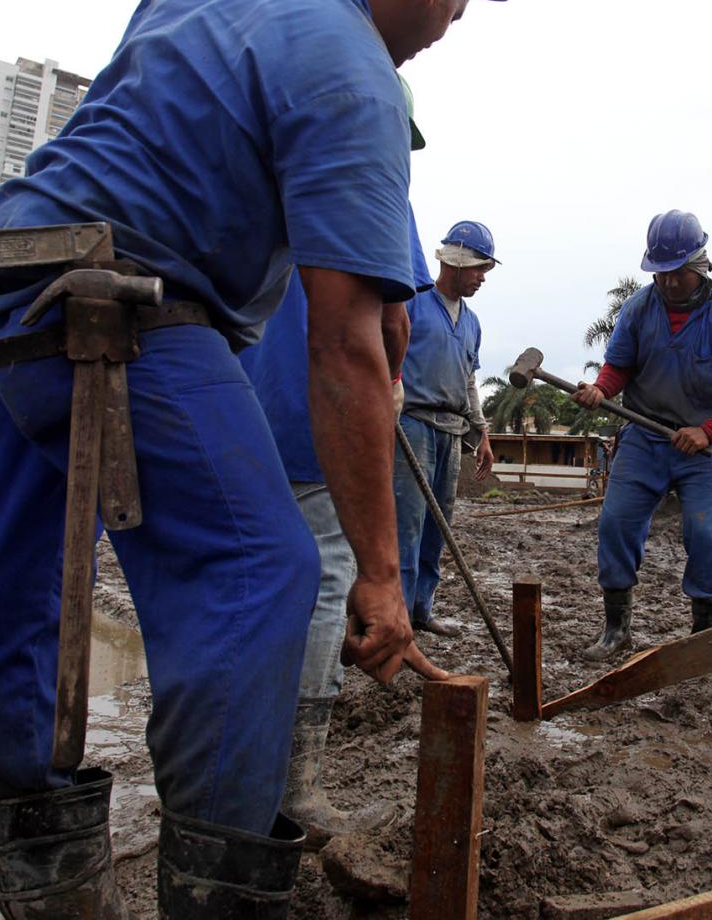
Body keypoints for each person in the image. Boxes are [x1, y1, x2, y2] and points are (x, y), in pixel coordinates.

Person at [0, 0, 510, 918]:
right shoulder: (357, 77)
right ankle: (220, 886)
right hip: (136, 303)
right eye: (462, 2)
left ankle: (48, 885)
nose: (451, 26)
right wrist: (381, 580)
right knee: (264, 574)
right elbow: (342, 348)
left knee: (11, 598)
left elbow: (145, 144)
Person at [239, 76, 443, 846]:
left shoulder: (265, 175)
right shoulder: (381, 191)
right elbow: (395, 321)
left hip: (231, 411)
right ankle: (298, 787)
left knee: (246, 585)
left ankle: (221, 774)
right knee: (328, 580)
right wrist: (388, 388)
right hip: (318, 420)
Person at [571, 210, 712, 660]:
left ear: (699, 265)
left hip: (705, 446)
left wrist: (709, 430)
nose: (667, 283)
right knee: (616, 522)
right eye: (659, 274)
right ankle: (616, 626)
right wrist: (601, 389)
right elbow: (619, 365)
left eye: (676, 273)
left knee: (707, 535)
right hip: (645, 435)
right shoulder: (638, 309)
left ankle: (706, 629)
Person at [392, 220, 498, 637]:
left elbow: (469, 382)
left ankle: (422, 608)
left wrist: (482, 433)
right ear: (454, 264)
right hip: (413, 425)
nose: (482, 277)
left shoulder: (471, 323)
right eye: (477, 268)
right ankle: (398, 616)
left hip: (452, 432)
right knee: (409, 523)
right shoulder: (413, 305)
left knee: (438, 527)